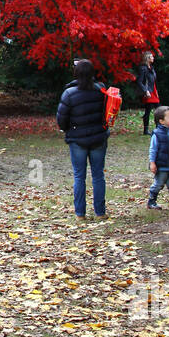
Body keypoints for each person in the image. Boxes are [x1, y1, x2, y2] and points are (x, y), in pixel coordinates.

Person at [56, 58, 110, 220]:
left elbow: (62, 118)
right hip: (98, 138)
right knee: (98, 175)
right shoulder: (101, 91)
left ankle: (80, 213)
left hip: (77, 138)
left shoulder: (69, 93)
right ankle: (100, 212)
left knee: (79, 176)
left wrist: (67, 130)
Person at [136, 51, 159, 135]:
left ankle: (158, 128)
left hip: (153, 91)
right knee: (148, 110)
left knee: (158, 110)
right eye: (151, 57)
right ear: (147, 58)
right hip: (148, 92)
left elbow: (153, 81)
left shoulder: (151, 68)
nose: (153, 58)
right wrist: (146, 91)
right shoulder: (143, 68)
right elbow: (139, 81)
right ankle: (146, 130)